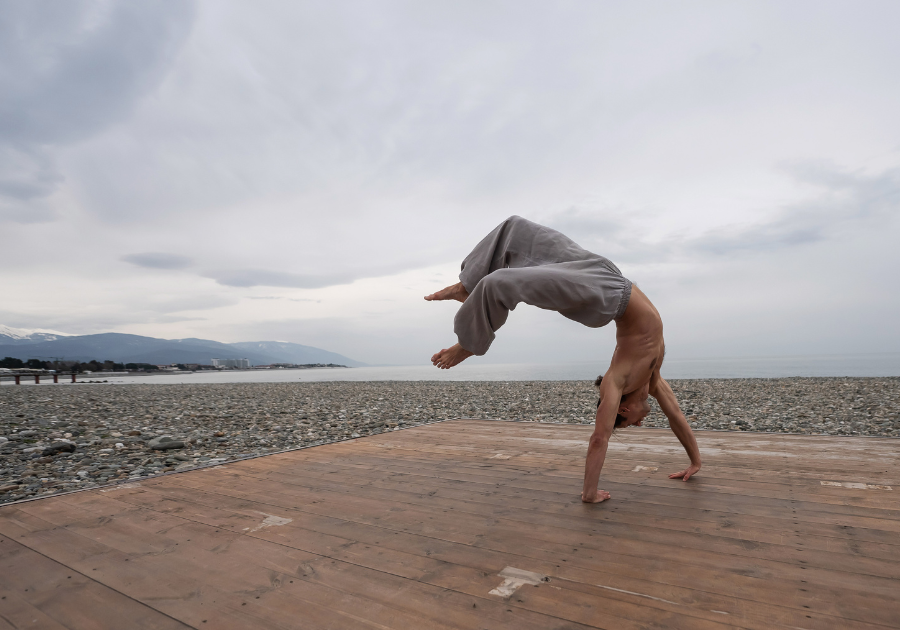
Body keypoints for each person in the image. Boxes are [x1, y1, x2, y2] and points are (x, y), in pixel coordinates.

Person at [425, 216, 701, 503]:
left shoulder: (617, 383)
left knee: (506, 262)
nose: (641, 423)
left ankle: (469, 342)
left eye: (632, 423)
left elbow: (599, 438)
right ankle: (467, 287)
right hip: (609, 279)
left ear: (623, 410)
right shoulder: (652, 380)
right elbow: (677, 417)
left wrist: (589, 492)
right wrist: (697, 462)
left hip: (603, 292)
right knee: (511, 237)